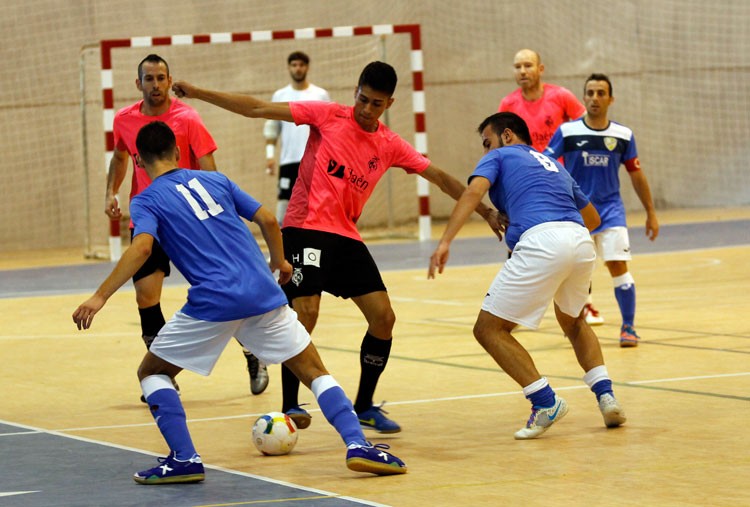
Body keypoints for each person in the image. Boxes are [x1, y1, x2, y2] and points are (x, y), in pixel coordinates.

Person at [172, 61, 502, 433]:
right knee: (306, 312)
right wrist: (199, 93)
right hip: (304, 228)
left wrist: (486, 213)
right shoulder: (327, 115)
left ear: (389, 104)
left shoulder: (390, 144)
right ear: (355, 91)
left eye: (376, 104)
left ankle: (364, 405)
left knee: (384, 318)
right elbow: (256, 108)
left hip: (345, 236)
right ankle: (289, 405)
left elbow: (439, 177)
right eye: (363, 99)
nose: (366, 109)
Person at [73, 121, 407, 484]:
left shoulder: (147, 199)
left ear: (138, 160)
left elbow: (142, 247)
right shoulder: (217, 181)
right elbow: (266, 218)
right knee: (315, 372)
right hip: (263, 293)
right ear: (178, 153)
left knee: (152, 373)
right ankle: (358, 445)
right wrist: (279, 262)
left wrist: (99, 295)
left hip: (213, 301)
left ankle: (184, 458)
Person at [429, 112, 627, 439]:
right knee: (574, 322)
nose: (485, 152)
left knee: (489, 329)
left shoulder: (500, 156)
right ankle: (606, 396)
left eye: (487, 143)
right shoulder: (553, 165)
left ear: (507, 136)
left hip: (542, 243)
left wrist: (446, 240)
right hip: (579, 241)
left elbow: (472, 193)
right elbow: (592, 218)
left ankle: (544, 401)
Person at [103, 54, 266, 398]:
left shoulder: (188, 118)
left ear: (169, 79)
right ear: (139, 84)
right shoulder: (124, 121)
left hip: (190, 220)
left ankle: (253, 353)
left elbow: (210, 170)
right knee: (146, 297)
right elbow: (119, 157)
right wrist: (111, 192)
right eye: (149, 79)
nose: (157, 85)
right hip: (148, 217)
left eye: (162, 78)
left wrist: (220, 217)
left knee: (220, 290)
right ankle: (162, 376)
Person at [545, 73, 659, 347]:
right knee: (573, 271)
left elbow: (636, 175)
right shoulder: (568, 132)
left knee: (618, 267)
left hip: (610, 212)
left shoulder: (622, 134)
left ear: (610, 99)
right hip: (576, 214)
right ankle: (576, 325)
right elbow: (546, 164)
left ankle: (628, 327)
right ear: (583, 97)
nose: (595, 98)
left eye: (600, 93)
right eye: (590, 93)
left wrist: (650, 212)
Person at [497, 49, 605, 323]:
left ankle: (585, 304)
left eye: (528, 65)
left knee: (578, 236)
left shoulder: (561, 97)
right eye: (518, 66)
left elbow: (585, 127)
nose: (522, 70)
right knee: (519, 236)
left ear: (540, 68)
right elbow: (500, 144)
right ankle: (514, 307)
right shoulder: (508, 104)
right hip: (524, 185)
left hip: (560, 183)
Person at [247, 51, 331, 391]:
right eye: (293, 65)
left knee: (312, 213)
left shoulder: (321, 95)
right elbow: (271, 130)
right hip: (289, 162)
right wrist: (270, 157)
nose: (298, 69)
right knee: (284, 213)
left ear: (308, 67)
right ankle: (281, 257)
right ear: (289, 68)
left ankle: (297, 256)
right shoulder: (281, 96)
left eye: (302, 64)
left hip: (314, 162)